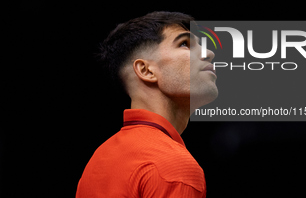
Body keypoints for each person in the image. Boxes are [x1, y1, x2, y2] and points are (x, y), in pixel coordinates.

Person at [76, 11, 218, 197]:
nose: (209, 53)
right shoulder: (173, 165)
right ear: (146, 70)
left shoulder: (100, 159)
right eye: (185, 44)